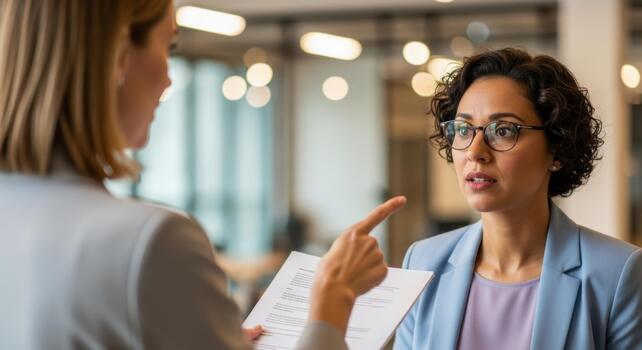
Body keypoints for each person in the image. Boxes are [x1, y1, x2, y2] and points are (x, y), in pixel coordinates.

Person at [0, 0, 406, 349]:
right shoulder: (152, 241)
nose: (169, 78)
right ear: (121, 56)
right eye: (168, 46)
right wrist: (333, 297)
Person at [394, 48, 642, 350]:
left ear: (556, 149)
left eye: (503, 130)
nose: (475, 151)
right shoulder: (422, 261)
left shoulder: (615, 273)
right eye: (463, 129)